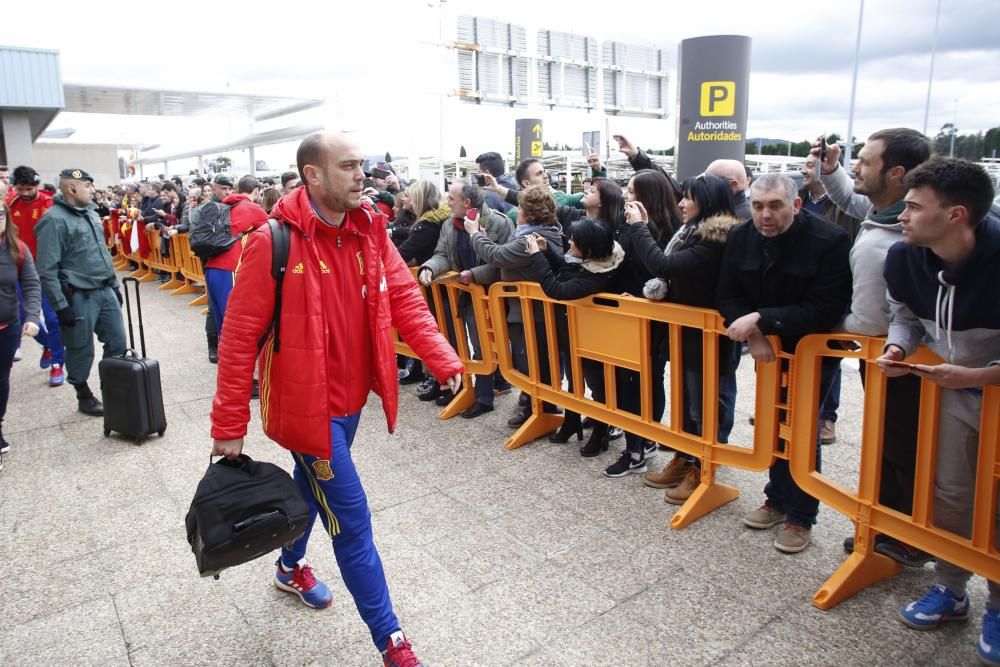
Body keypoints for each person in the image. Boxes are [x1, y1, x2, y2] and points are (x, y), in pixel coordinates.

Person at [211, 131, 462, 667]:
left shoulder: (371, 229)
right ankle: (391, 641)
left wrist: (442, 358)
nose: (361, 175)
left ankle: (287, 569)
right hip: (308, 409)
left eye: (361, 165)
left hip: (352, 403)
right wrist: (228, 422)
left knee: (310, 486)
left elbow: (404, 301)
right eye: (347, 166)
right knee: (352, 518)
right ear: (313, 175)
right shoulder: (271, 241)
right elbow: (237, 338)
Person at [877, 157, 1000, 665]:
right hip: (955, 391)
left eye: (913, 205)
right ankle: (950, 587)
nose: (900, 215)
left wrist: (977, 376)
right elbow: (904, 316)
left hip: (982, 384)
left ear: (956, 214)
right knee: (950, 492)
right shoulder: (904, 257)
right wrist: (899, 348)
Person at [813, 128, 934, 566]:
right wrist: (833, 172)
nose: (857, 167)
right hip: (897, 355)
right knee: (893, 444)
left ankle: (905, 535)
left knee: (904, 447)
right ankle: (891, 525)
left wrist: (819, 319)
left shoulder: (892, 238)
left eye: (865, 161)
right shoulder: (893, 211)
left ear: (897, 173)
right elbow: (854, 201)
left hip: (902, 361)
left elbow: (866, 323)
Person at [716, 173, 851, 554]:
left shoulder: (829, 240)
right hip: (769, 351)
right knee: (774, 425)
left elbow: (824, 309)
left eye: (775, 205)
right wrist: (755, 333)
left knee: (801, 429)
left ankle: (801, 515)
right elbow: (727, 294)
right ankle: (776, 498)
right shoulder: (740, 236)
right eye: (758, 206)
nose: (765, 215)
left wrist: (760, 319)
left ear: (796, 204)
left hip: (811, 352)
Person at [621, 174, 741, 496]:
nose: (681, 203)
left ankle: (704, 471)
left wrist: (638, 228)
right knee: (689, 403)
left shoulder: (716, 238)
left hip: (708, 337)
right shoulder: (692, 232)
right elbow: (668, 263)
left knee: (703, 407)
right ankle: (685, 459)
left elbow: (663, 264)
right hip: (688, 332)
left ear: (707, 202)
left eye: (688, 197)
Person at [603, 169, 681, 477]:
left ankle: (638, 447)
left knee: (648, 379)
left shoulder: (668, 229)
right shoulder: (625, 224)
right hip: (626, 314)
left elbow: (659, 268)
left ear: (648, 197)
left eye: (632, 191)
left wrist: (640, 228)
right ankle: (641, 439)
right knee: (631, 379)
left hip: (652, 318)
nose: (626, 195)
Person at [524, 218, 624, 455]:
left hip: (593, 337)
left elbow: (558, 290)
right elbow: (566, 271)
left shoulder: (599, 274)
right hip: (573, 332)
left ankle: (601, 432)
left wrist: (536, 256)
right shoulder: (588, 261)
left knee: (596, 384)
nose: (569, 243)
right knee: (573, 379)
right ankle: (571, 420)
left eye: (573, 241)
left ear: (588, 250)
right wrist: (547, 252)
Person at [466, 184, 564, 420]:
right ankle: (536, 404)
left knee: (533, 362)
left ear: (529, 213)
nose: (516, 210)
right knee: (530, 361)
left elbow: (498, 256)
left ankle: (541, 410)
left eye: (520, 207)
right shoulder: (531, 233)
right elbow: (503, 262)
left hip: (533, 314)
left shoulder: (531, 237)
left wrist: (474, 234)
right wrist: (475, 273)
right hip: (526, 312)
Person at [35, 169, 126, 416]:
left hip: (104, 289)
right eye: (87, 185)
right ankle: (83, 393)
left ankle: (115, 390)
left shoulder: (90, 214)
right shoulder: (53, 220)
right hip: (78, 295)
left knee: (117, 342)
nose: (92, 190)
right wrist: (61, 306)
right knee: (80, 348)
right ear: (71, 189)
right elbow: (46, 268)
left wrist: (115, 286)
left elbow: (103, 253)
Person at [417, 181, 513, 407]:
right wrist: (429, 267)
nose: (446, 202)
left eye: (451, 198)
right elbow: (442, 254)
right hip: (465, 294)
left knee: (484, 346)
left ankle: (484, 398)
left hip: (490, 296)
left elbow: (506, 262)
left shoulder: (500, 223)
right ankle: (467, 391)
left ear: (466, 202)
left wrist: (475, 274)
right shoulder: (449, 224)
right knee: (472, 343)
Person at [798, 153, 863, 446]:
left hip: (833, 288)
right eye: (805, 165)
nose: (804, 170)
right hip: (801, 291)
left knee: (829, 356)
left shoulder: (841, 206)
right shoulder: (798, 197)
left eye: (811, 166)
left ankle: (826, 417)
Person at [7, 166, 64, 386]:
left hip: (48, 270)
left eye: (29, 188)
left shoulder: (50, 204)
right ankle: (48, 344)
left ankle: (57, 363)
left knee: (52, 318)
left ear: (37, 185)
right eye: (20, 188)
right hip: (20, 269)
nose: (25, 193)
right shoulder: (11, 204)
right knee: (22, 317)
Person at [0, 186, 43, 467]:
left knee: (1, 379)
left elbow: (30, 283)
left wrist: (31, 316)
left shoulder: (17, 248)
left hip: (8, 326)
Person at [203, 175, 267, 334]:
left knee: (222, 324)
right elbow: (274, 232)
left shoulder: (225, 206)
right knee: (234, 322)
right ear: (256, 191)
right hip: (230, 268)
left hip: (211, 267)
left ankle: (222, 356)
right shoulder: (253, 209)